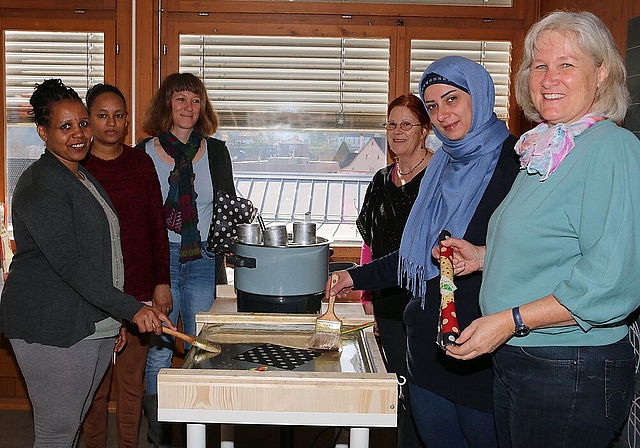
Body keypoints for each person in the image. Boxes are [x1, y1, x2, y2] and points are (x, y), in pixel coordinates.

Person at [438, 11, 640, 448]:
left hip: (569, 365)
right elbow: (556, 242)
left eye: (567, 64)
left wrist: (510, 321)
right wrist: (482, 256)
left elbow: (609, 281)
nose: (549, 78)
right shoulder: (549, 146)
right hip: (527, 359)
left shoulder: (610, 148)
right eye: (539, 66)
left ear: (601, 72)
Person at [327, 56, 520, 448]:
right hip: (427, 349)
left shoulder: (518, 162)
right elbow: (416, 255)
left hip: (484, 350)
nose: (443, 114)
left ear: (479, 96)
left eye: (452, 99)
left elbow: (537, 255)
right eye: (432, 105)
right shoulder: (441, 166)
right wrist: (353, 276)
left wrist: (485, 254)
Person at [0, 78, 174, 448]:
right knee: (57, 431)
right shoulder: (41, 182)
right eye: (65, 127)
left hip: (88, 319)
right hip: (50, 323)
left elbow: (105, 254)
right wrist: (129, 309)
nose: (78, 134)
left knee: (72, 423)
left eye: (81, 123)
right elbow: (69, 263)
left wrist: (114, 319)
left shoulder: (81, 175)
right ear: (42, 131)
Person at [138, 72, 236, 447]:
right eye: (181, 99)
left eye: (196, 100)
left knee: (201, 349)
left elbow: (226, 208)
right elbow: (141, 216)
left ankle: (200, 432)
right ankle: (160, 437)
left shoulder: (217, 151)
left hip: (202, 258)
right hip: (160, 262)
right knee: (160, 352)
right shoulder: (145, 151)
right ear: (167, 104)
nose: (189, 107)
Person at [80, 84, 172, 448]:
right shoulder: (77, 166)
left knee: (131, 385)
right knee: (96, 389)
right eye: (102, 116)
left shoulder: (140, 162)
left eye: (119, 115)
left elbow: (156, 226)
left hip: (139, 293)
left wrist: (161, 282)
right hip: (95, 295)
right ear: (88, 118)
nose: (111, 123)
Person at [356, 93, 431, 448]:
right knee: (399, 389)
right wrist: (366, 296)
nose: (397, 132)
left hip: (428, 302)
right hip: (387, 303)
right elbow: (369, 242)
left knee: (425, 394)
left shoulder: (438, 178)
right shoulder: (381, 179)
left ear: (425, 130)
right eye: (391, 124)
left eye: (406, 124)